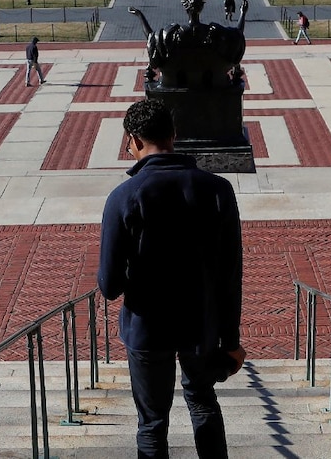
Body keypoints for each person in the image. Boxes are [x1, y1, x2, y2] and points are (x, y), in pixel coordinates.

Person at [98, 100, 246, 459]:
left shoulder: (124, 197)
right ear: (174, 135)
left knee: (151, 422)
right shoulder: (218, 190)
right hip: (202, 324)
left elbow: (110, 285)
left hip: (148, 328)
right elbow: (231, 273)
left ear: (132, 140)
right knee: (202, 401)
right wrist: (231, 338)